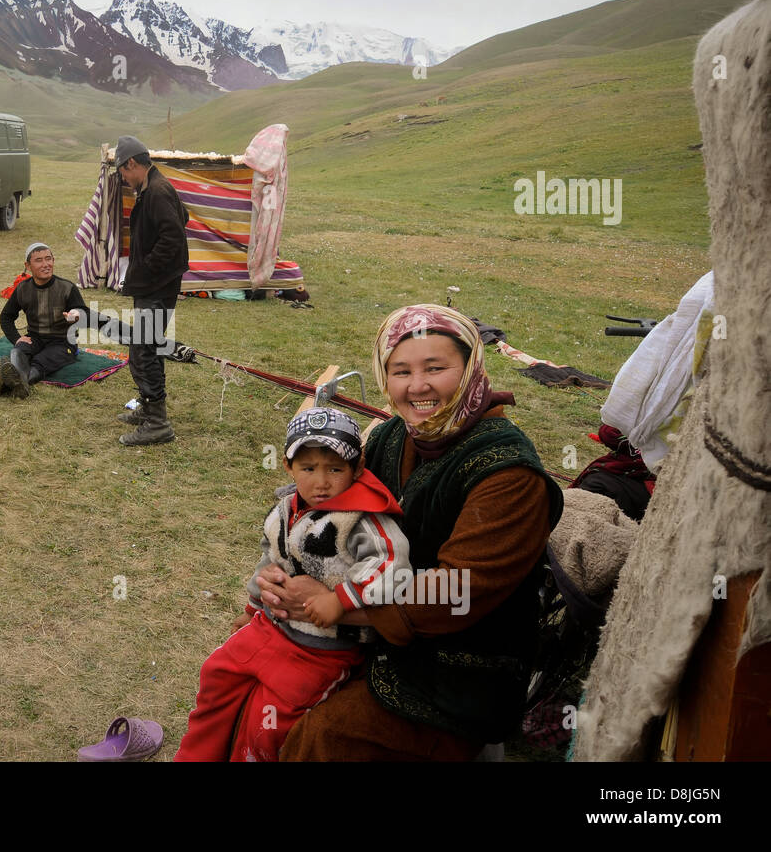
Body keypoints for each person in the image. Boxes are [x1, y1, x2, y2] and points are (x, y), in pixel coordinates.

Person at [264, 305, 563, 760]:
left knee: (321, 738)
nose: (417, 386)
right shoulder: (391, 437)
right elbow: (330, 509)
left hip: (459, 672)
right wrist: (282, 573)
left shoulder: (508, 475)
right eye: (400, 370)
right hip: (365, 634)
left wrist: (332, 604)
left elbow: (459, 589)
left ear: (469, 370)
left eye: (435, 368)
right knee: (256, 688)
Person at [173, 408, 409, 762]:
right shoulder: (285, 508)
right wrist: (251, 608)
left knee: (271, 720)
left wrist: (340, 601)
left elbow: (392, 565)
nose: (321, 482)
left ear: (357, 469)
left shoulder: (363, 518)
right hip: (270, 626)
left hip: (323, 649)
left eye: (335, 469)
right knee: (217, 672)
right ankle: (197, 755)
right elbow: (271, 560)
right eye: (308, 468)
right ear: (289, 466)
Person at [113, 136, 189, 446]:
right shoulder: (153, 187)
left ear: (131, 164)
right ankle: (148, 407)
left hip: (157, 285)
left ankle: (158, 423)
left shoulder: (157, 191)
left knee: (145, 348)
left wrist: (146, 268)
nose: (123, 178)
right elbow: (183, 218)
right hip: (155, 284)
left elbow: (173, 237)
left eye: (123, 172)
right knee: (148, 345)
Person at [0, 243, 88, 397]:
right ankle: (15, 383)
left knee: (41, 361)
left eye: (48, 259)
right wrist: (17, 339)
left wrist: (76, 315)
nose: (45, 264)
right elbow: (6, 317)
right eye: (38, 260)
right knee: (18, 351)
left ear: (53, 260)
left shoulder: (67, 287)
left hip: (63, 342)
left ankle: (10, 385)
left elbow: (84, 313)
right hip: (35, 339)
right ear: (28, 266)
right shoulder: (23, 288)